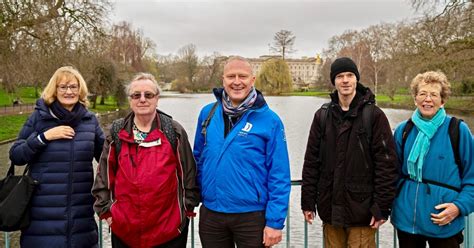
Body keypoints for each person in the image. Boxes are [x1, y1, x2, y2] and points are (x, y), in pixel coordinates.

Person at [92, 73, 200, 247]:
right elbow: (104, 177)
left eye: (148, 95)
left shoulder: (174, 131)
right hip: (125, 232)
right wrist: (107, 213)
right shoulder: (116, 133)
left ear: (157, 98)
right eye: (136, 95)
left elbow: (189, 177)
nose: (142, 99)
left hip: (169, 233)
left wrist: (183, 214)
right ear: (130, 100)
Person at [193, 56, 291, 248]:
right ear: (223, 80)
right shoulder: (207, 114)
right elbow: (198, 158)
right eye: (231, 76)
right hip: (212, 213)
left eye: (242, 76)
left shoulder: (270, 120)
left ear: (252, 80)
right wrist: (194, 197)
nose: (236, 81)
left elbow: (279, 174)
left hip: (251, 216)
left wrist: (274, 222)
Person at [301, 57, 399, 247]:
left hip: (363, 211)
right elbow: (312, 161)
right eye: (339, 76)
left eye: (349, 75)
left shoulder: (374, 116)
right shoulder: (322, 115)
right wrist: (308, 201)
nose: (345, 80)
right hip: (330, 208)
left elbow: (386, 164)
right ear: (334, 81)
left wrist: (382, 207)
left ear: (356, 79)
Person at [9, 66, 105, 247]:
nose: (69, 91)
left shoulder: (89, 120)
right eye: (63, 87)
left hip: (81, 220)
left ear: (80, 90)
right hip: (41, 221)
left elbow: (107, 159)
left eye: (73, 87)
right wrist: (43, 137)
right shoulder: (39, 118)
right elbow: (16, 155)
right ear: (55, 89)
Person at [391, 71, 474, 247]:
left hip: (444, 223)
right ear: (415, 99)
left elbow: (472, 177)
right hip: (407, 223)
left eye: (434, 95)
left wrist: (458, 207)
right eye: (422, 94)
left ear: (442, 101)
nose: (427, 99)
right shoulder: (403, 131)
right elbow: (391, 173)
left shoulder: (458, 131)